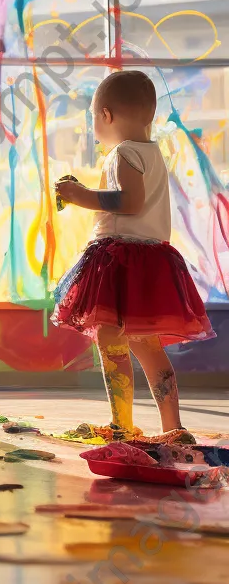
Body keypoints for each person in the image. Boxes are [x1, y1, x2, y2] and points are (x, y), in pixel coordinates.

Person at [54, 70, 213, 444]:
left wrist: (81, 195)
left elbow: (130, 202)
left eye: (93, 119)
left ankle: (121, 425)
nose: (94, 127)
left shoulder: (123, 153)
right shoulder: (153, 152)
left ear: (106, 115)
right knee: (148, 345)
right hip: (151, 260)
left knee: (111, 342)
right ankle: (173, 427)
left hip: (120, 259)